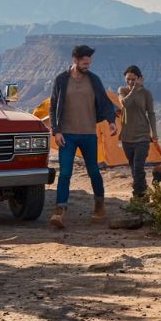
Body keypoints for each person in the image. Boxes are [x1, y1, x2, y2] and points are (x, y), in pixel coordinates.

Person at [48, 45, 118, 229]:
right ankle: (60, 210)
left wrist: (111, 121)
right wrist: (56, 131)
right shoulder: (61, 80)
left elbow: (104, 101)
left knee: (94, 171)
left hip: (88, 134)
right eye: (84, 63)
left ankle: (99, 205)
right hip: (67, 135)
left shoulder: (93, 80)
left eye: (89, 63)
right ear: (75, 60)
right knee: (65, 173)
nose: (87, 66)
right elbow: (53, 106)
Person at [118, 65, 159, 199]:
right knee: (133, 168)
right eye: (128, 80)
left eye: (133, 79)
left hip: (142, 135)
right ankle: (144, 191)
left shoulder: (146, 94)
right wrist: (135, 88)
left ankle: (138, 195)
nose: (130, 82)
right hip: (126, 137)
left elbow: (151, 113)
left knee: (138, 167)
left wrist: (154, 132)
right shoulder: (122, 90)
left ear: (140, 79)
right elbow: (125, 104)